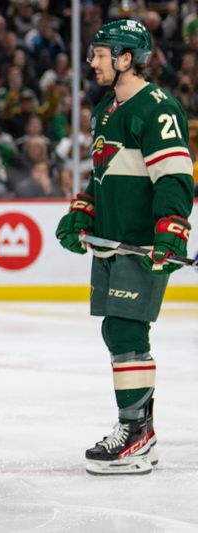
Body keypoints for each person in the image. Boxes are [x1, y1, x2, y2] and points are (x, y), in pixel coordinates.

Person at [56, 20, 193, 475]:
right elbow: (105, 176)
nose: (92, 61)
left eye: (100, 53)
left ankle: (134, 432)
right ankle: (142, 431)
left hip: (140, 243)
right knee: (121, 333)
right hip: (112, 244)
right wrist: (83, 211)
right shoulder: (106, 110)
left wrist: (172, 227)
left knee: (124, 331)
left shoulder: (157, 107)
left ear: (125, 58)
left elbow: (174, 176)